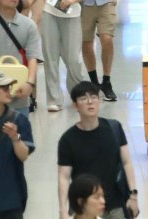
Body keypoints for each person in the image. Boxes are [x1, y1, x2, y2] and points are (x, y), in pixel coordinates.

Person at [23, 0, 90, 108]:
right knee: (50, 57)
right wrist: (28, 2)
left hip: (72, 15)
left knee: (73, 59)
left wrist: (72, 1)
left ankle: (77, 94)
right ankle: (54, 99)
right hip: (50, 14)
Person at [57, 81, 141, 219]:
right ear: (75, 105)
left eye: (94, 97)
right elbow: (64, 177)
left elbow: (127, 163)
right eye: (83, 98)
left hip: (116, 204)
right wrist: (62, 210)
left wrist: (133, 196)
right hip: (86, 208)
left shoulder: (114, 128)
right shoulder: (68, 140)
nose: (90, 102)